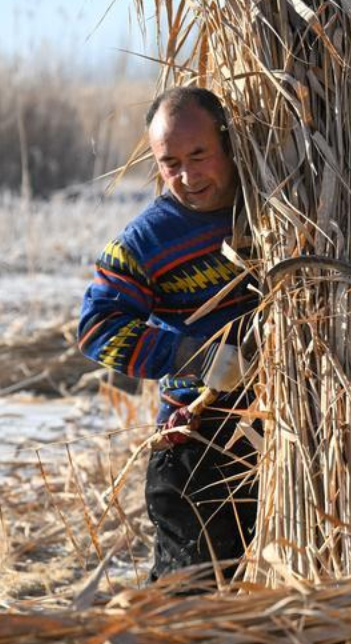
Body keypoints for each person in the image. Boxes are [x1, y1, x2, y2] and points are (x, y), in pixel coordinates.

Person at [78, 86, 259, 582]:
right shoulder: (146, 242)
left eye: (199, 155)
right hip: (197, 448)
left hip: (282, 440)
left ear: (227, 142)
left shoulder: (275, 209)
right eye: (170, 162)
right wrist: (195, 356)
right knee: (192, 601)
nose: (188, 176)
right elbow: (97, 328)